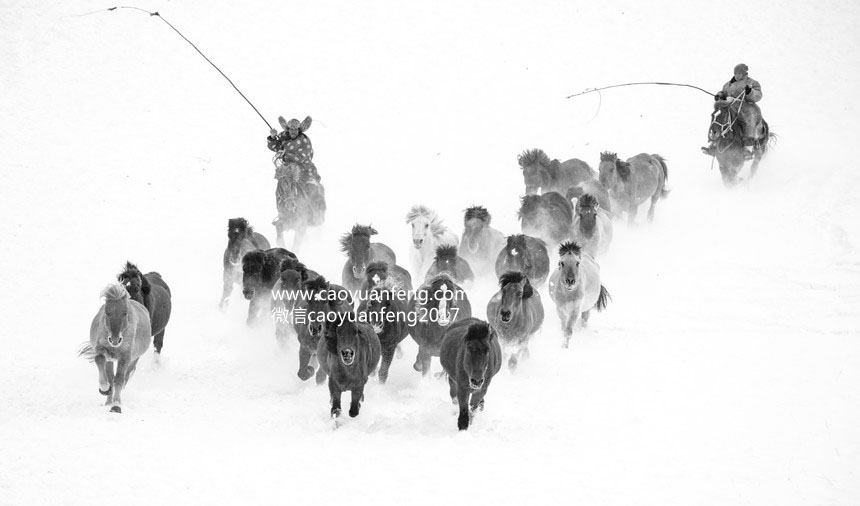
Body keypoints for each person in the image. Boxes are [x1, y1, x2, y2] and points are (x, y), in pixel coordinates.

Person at [267, 115, 325, 226]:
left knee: (312, 188)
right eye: (291, 129)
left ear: (299, 130)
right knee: (281, 187)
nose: (293, 131)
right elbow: (275, 146)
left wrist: (285, 154)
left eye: (295, 129)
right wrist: (273, 137)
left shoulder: (304, 141)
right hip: (287, 170)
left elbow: (302, 157)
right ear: (288, 129)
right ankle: (282, 214)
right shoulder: (284, 136)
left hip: (304, 169)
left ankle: (314, 214)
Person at [701, 63, 764, 160]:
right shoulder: (727, 85)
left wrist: (750, 92)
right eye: (736, 73)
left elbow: (758, 95)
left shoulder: (752, 83)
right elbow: (723, 92)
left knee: (748, 122)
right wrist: (720, 95)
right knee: (717, 117)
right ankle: (714, 143)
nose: (737, 75)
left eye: (739, 73)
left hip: (746, 108)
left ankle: (747, 148)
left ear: (744, 74)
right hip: (730, 107)